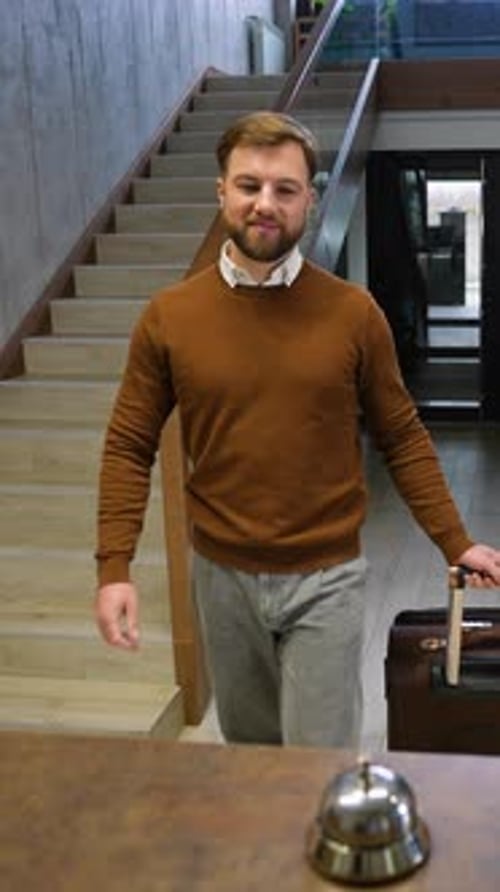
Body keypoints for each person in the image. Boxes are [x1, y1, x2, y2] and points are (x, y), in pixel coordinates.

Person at [95, 111, 500, 748]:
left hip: (327, 576)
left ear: (310, 200)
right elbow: (128, 443)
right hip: (221, 577)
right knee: (252, 757)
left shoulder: (352, 313)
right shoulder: (170, 317)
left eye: (285, 189)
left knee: (320, 762)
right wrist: (114, 566)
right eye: (249, 185)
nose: (265, 204)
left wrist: (454, 539)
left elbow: (401, 435)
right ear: (221, 192)